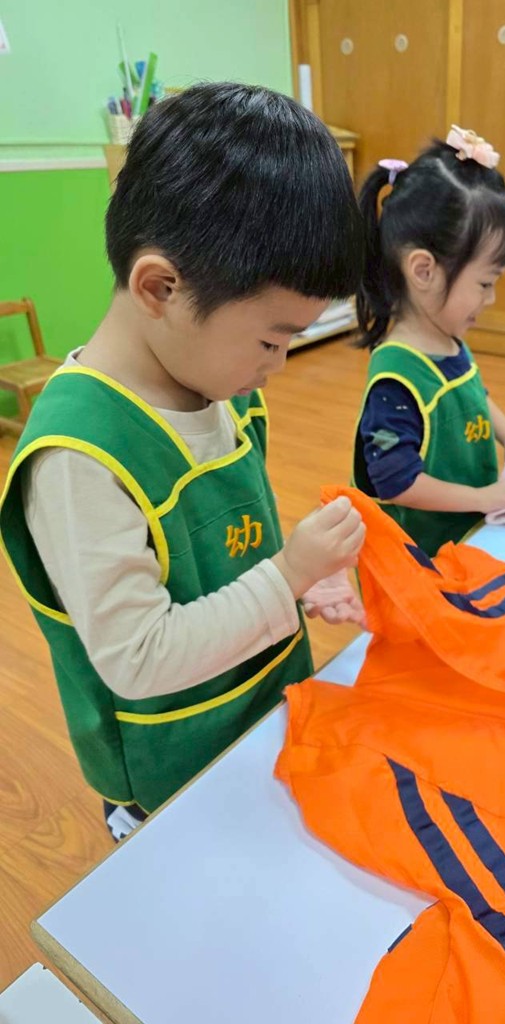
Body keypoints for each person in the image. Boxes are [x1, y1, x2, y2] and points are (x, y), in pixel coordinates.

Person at [0, 83, 366, 839]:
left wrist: (298, 580)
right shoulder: (79, 455)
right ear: (160, 287)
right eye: (270, 340)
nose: (278, 366)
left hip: (260, 720)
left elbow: (225, 555)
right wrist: (287, 575)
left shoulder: (218, 386)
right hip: (170, 780)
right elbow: (138, 658)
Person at [352, 126, 505, 557]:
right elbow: (397, 482)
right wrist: (482, 497)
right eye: (485, 283)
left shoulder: (447, 340)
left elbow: (474, 396)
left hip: (462, 541)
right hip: (417, 560)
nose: (491, 299)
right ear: (424, 271)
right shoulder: (397, 379)